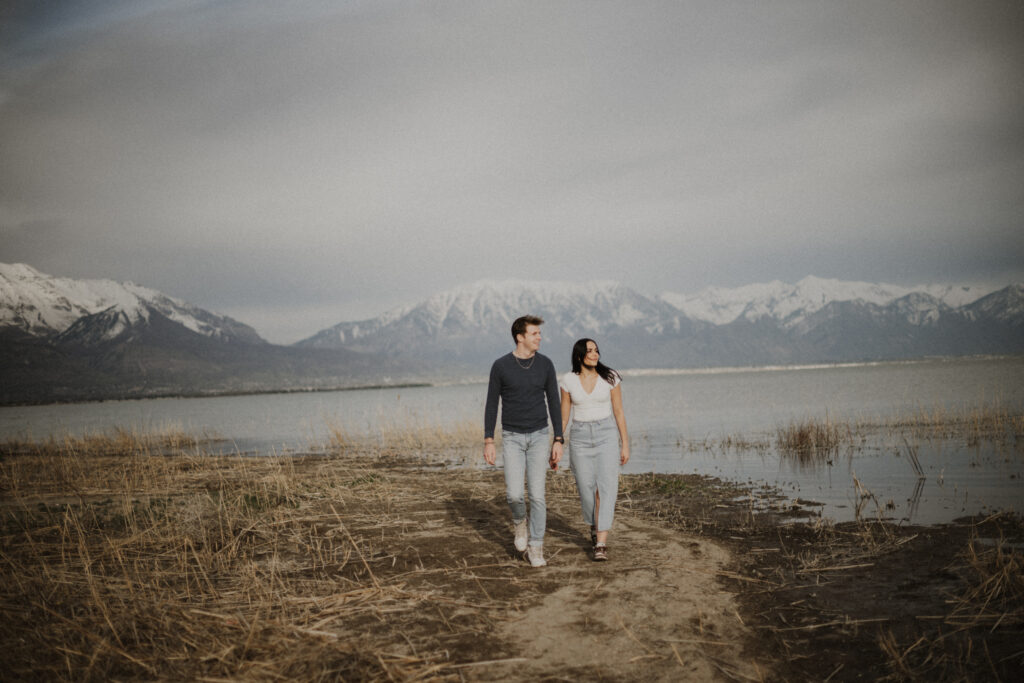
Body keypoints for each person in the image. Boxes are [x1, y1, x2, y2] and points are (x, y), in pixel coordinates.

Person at [484, 315, 564, 568]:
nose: (539, 337)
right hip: (512, 437)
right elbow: (491, 404)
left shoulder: (546, 365)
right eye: (534, 334)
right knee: (515, 494)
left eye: (539, 334)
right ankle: (520, 523)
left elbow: (554, 402)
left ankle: (536, 546)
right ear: (520, 337)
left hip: (540, 436)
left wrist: (558, 439)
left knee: (538, 497)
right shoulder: (501, 366)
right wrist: (488, 440)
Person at [559, 338, 629, 561]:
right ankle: (594, 523)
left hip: (606, 434)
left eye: (596, 350)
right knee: (586, 487)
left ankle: (601, 542)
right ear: (579, 355)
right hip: (579, 437)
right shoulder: (568, 380)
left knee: (607, 488)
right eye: (589, 351)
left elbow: (619, 412)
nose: (595, 354)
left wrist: (625, 443)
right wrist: (557, 441)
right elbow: (564, 415)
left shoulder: (610, 377)